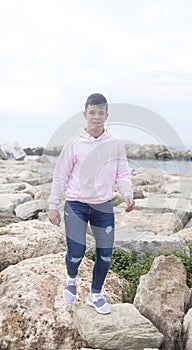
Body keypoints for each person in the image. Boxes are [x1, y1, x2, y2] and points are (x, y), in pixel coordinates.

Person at [48, 93, 134, 314]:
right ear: (85, 114)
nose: (96, 117)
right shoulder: (75, 142)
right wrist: (53, 205)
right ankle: (71, 279)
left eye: (101, 113)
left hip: (103, 205)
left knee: (105, 254)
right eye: (92, 113)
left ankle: (95, 295)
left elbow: (122, 172)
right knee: (76, 252)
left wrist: (127, 193)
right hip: (76, 204)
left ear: (107, 115)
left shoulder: (114, 143)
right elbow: (61, 175)